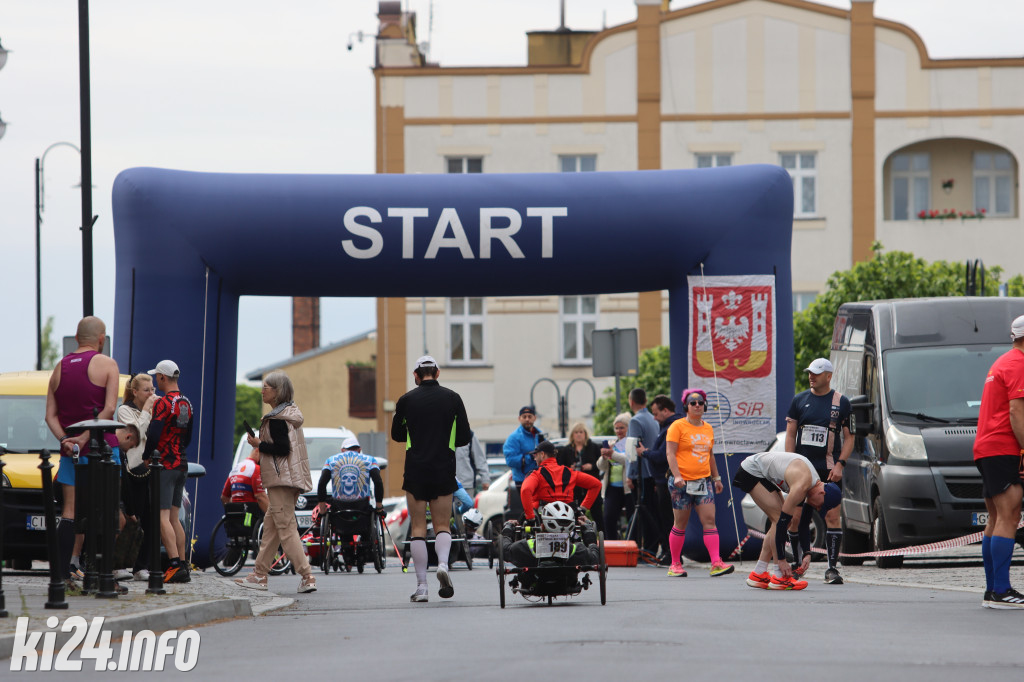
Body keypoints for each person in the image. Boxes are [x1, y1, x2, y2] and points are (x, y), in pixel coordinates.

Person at [44, 316, 122, 587]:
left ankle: (63, 573)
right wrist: (85, 437)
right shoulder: (107, 364)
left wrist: (67, 439)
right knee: (107, 511)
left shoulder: (59, 367)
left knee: (70, 511)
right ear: (101, 339)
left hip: (70, 454)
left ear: (77, 338)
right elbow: (109, 409)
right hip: (103, 450)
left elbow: (50, 416)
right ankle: (103, 576)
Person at [391, 355, 472, 603]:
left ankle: (422, 586)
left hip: (415, 469)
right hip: (443, 468)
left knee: (417, 528)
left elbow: (396, 435)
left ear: (416, 376)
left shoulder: (406, 400)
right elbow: (463, 438)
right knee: (442, 526)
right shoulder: (453, 398)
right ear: (437, 373)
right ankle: (444, 565)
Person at [234, 370, 317, 594]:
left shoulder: (277, 419)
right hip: (289, 479)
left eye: (266, 388)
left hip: (280, 479)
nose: (262, 391)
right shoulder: (289, 414)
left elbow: (282, 449)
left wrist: (259, 444)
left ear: (277, 392)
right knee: (271, 529)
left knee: (286, 528)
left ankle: (307, 576)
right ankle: (259, 575)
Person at [785, 357, 852, 584]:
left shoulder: (841, 402)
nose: (811, 376)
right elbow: (790, 434)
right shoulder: (799, 399)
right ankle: (796, 565)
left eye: (816, 373)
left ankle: (832, 569)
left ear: (828, 376)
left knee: (833, 516)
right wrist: (788, 465)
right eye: (809, 372)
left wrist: (841, 463)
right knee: (795, 518)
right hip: (802, 470)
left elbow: (850, 438)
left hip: (829, 470)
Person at [733, 451, 842, 590]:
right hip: (751, 471)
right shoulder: (802, 484)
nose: (818, 508)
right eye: (821, 505)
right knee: (779, 518)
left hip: (762, 472)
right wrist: (782, 561)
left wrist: (807, 554)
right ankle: (779, 576)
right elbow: (781, 523)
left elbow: (803, 524)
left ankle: (759, 573)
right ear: (822, 493)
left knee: (784, 520)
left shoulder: (813, 487)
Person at [972, 314, 1024, 608]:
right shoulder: (1019, 364)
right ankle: (1001, 590)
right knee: (1010, 515)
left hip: (987, 446)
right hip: (1004, 446)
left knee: (995, 517)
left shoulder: (1002, 362)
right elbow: (1017, 413)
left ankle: (993, 590)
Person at [664, 389, 734, 578]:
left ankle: (716, 563)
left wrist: (717, 478)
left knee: (709, 521)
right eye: (692, 402)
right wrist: (677, 476)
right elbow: (670, 453)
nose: (697, 405)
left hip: (703, 482)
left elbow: (710, 454)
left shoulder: (708, 428)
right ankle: (675, 564)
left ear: (705, 406)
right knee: (680, 523)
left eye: (700, 402)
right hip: (681, 482)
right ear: (686, 406)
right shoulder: (677, 426)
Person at [142, 360, 194, 585]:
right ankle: (183, 564)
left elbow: (154, 432)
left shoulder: (163, 403)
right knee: (175, 518)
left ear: (163, 377)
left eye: (157, 377)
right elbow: (188, 436)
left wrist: (147, 455)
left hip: (164, 464)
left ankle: (173, 564)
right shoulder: (186, 402)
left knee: (162, 517)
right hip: (182, 463)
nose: (156, 381)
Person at [117, 373, 158, 581]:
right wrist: (147, 410)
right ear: (135, 392)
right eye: (147, 390)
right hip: (134, 470)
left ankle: (142, 566)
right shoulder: (125, 411)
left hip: (150, 468)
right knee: (132, 518)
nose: (151, 393)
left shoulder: (151, 410)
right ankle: (123, 563)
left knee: (151, 518)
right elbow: (138, 434)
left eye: (153, 390)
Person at [640, 394, 681, 566]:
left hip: (667, 481)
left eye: (656, 414)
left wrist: (644, 452)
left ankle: (672, 555)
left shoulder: (671, 427)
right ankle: (670, 553)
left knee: (668, 520)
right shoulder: (668, 426)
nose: (654, 418)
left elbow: (663, 456)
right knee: (670, 520)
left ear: (665, 411)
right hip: (664, 480)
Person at [499, 501, 601, 569]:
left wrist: (508, 530)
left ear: (543, 525)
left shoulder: (525, 547)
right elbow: (594, 558)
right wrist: (588, 533)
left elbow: (504, 550)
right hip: (566, 584)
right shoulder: (577, 550)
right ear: (571, 526)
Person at [519, 440, 601, 523]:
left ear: (542, 454)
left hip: (542, 520)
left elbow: (525, 490)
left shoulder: (536, 473)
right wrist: (583, 508)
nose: (535, 458)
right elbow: (596, 484)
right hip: (568, 519)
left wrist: (530, 517)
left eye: (536, 455)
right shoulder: (569, 472)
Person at [626, 388, 662, 561]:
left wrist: (630, 474)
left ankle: (647, 549)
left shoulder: (635, 420)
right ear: (646, 401)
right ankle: (652, 548)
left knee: (644, 512)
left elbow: (633, 449)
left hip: (643, 473)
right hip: (654, 471)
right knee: (653, 511)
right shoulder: (653, 419)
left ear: (631, 402)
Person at [315, 435, 384, 517]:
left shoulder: (331, 460)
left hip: (338, 508)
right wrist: (379, 507)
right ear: (359, 450)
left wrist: (322, 510)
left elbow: (322, 483)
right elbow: (378, 482)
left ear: (342, 450)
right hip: (362, 508)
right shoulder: (370, 460)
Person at [557, 422, 605, 532]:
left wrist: (591, 466)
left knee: (598, 515)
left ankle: (603, 539)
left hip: (591, 485)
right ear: (572, 435)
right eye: (576, 432)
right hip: (574, 489)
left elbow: (601, 465)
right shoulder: (566, 450)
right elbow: (560, 468)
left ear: (585, 434)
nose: (579, 435)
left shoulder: (593, 447)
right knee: (574, 516)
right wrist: (570, 468)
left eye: (581, 432)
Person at [503, 405, 543, 521]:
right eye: (524, 416)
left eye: (529, 416)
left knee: (540, 512)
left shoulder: (540, 435)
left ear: (534, 418)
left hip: (539, 479)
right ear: (519, 418)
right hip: (522, 480)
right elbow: (510, 460)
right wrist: (528, 458)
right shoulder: (514, 438)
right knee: (526, 512)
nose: (527, 419)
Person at [597, 413, 633, 540]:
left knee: (632, 518)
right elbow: (601, 466)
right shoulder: (613, 443)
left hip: (628, 487)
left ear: (628, 428)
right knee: (608, 517)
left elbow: (628, 460)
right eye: (617, 428)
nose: (619, 431)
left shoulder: (631, 443)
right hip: (612, 487)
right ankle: (612, 545)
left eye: (622, 427)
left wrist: (612, 454)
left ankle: (633, 545)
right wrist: (604, 457)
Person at [455, 430, 488, 494]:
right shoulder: (441, 432)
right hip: (445, 485)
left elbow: (479, 459)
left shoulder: (469, 435)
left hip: (465, 485)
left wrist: (485, 479)